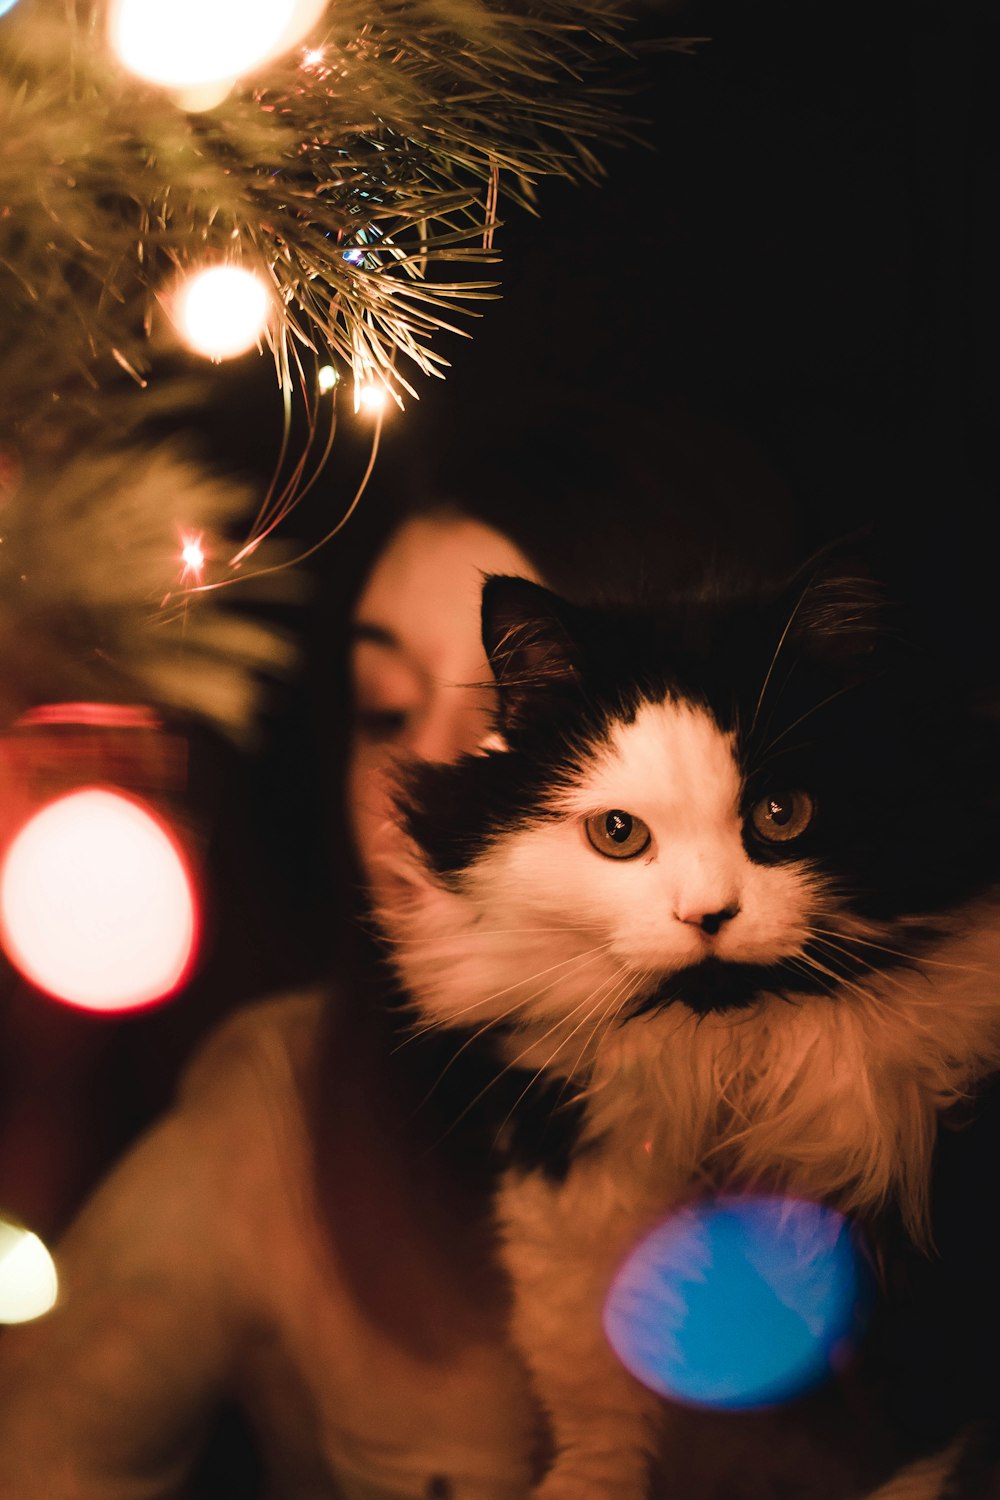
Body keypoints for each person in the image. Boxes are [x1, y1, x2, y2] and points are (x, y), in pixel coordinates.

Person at [1, 406, 864, 1500]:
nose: (417, 791)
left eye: (521, 715)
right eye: (384, 710)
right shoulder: (280, 1107)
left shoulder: (904, 1114)